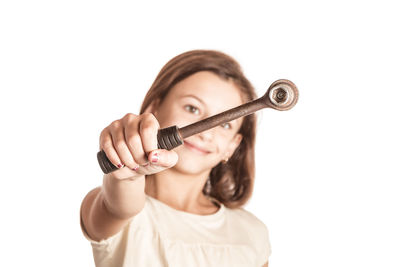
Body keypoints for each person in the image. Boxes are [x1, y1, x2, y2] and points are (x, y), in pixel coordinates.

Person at [80, 50, 272, 267]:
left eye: (225, 124)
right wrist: (128, 174)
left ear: (232, 146)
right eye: (192, 108)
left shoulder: (252, 235)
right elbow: (119, 204)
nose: (206, 133)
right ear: (154, 109)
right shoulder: (117, 208)